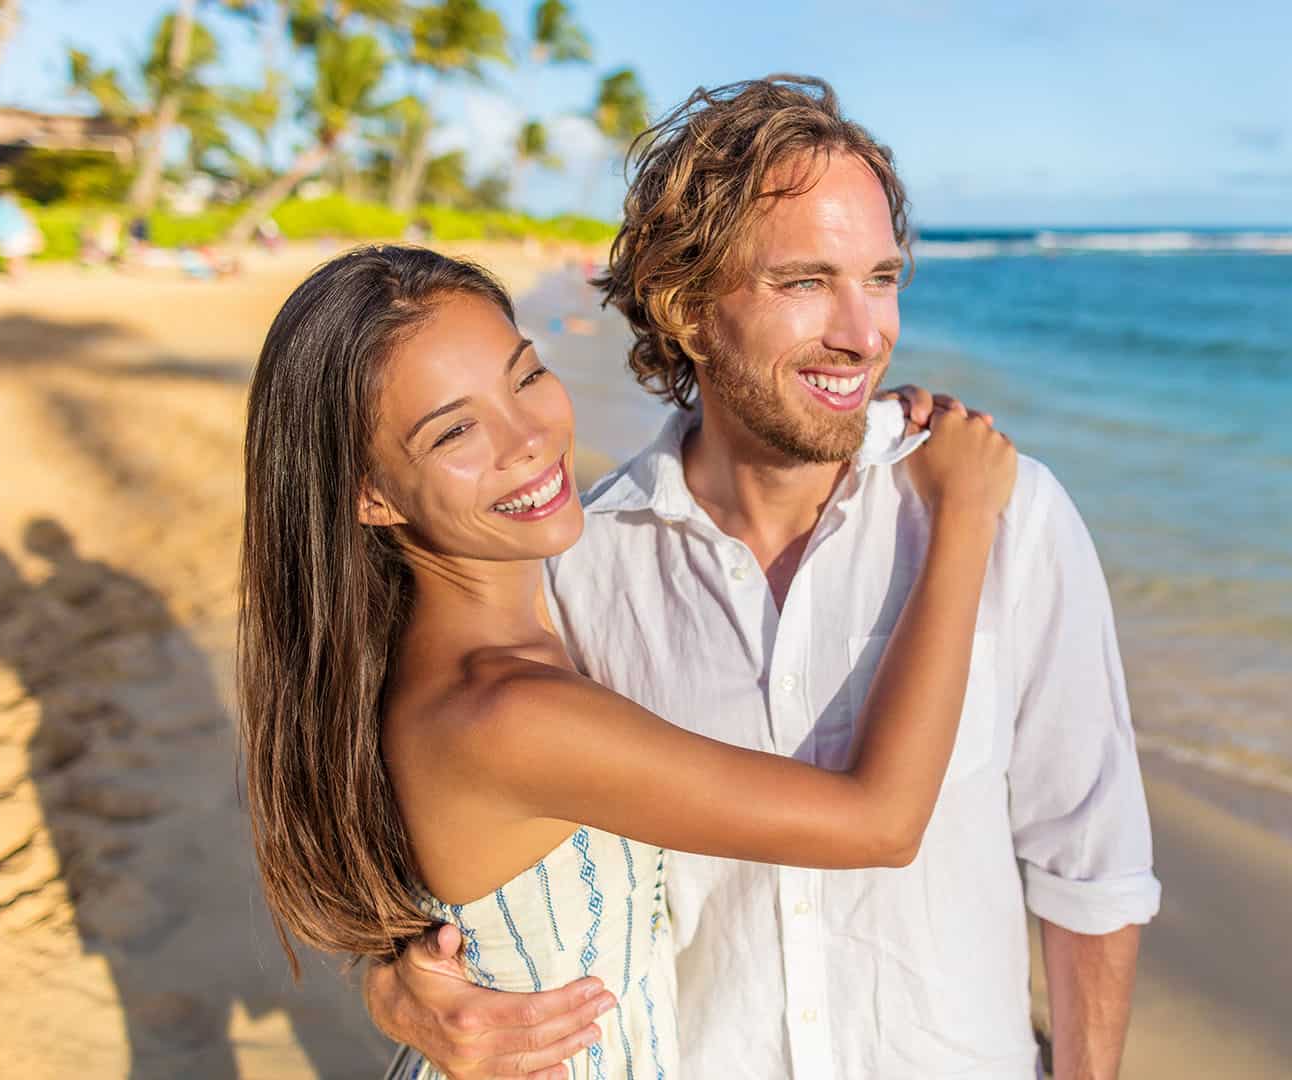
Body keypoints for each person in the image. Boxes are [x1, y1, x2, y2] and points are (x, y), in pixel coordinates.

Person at [365, 75, 1160, 1079]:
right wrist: (396, 982)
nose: (864, 333)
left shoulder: (1012, 514)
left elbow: (1089, 859)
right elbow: (466, 829)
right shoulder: (576, 564)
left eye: (881, 277)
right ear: (687, 310)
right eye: (805, 282)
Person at [239, 245, 1017, 1079]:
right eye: (456, 430)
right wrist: (963, 515)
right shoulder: (509, 712)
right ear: (370, 494)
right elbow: (880, 823)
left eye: (526, 376)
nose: (528, 437)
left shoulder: (445, 643)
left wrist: (391, 988)